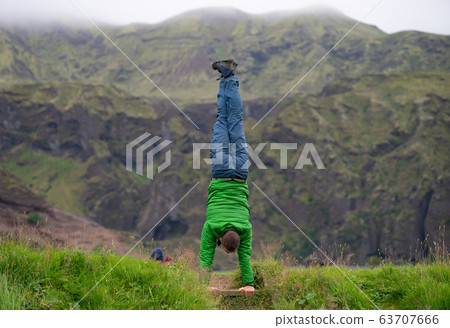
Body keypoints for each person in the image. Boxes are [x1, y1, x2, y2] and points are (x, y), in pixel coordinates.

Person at [200, 59, 255, 296]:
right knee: (222, 119)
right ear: (221, 239)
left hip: (241, 172)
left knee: (235, 119)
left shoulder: (246, 229)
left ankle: (228, 76)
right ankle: (227, 77)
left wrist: (250, 283)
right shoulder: (211, 228)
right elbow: (205, 255)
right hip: (221, 173)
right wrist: (204, 284)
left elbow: (245, 259)